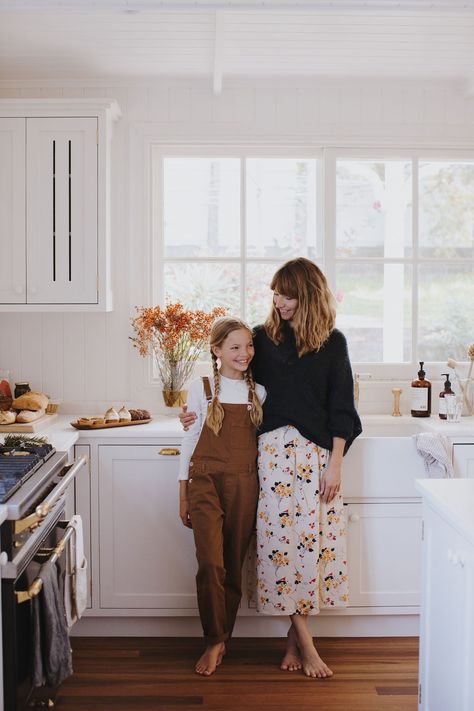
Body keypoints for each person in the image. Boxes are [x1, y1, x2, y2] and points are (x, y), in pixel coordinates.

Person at [180, 257, 361, 679]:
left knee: (311, 550)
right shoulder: (262, 338)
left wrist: (335, 464)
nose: (279, 301)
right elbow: (230, 375)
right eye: (276, 293)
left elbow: (342, 409)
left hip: (317, 458)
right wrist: (191, 415)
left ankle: (294, 639)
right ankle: (306, 643)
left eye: (288, 294)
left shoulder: (333, 343)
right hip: (271, 457)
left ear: (309, 295)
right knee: (281, 549)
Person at [178, 316, 266, 677]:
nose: (243, 353)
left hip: (245, 485)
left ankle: (222, 637)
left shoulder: (258, 393)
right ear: (216, 351)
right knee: (210, 564)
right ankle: (214, 639)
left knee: (232, 563)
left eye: (248, 346)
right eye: (234, 347)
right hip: (204, 483)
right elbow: (189, 438)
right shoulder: (201, 388)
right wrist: (182, 493)